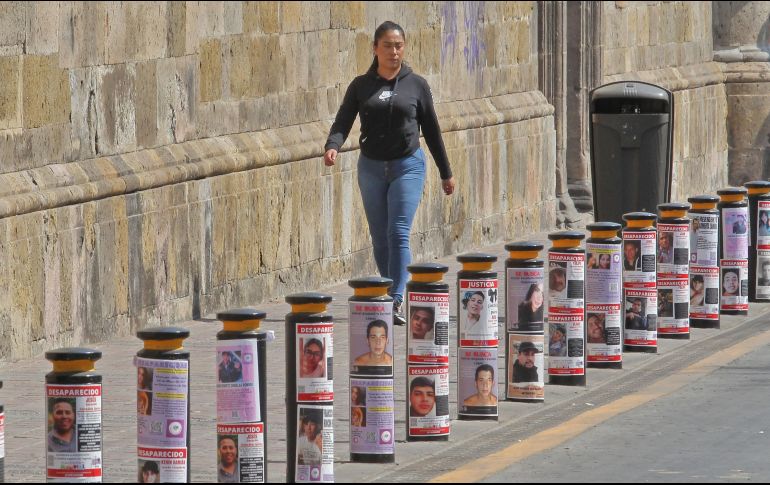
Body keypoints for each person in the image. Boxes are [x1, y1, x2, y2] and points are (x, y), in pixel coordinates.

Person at [323, 21, 456, 327]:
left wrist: (445, 172)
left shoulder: (416, 85)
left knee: (398, 232)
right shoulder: (361, 85)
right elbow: (343, 120)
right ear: (375, 48)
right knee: (380, 236)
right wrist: (333, 145)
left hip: (407, 165)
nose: (394, 52)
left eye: (399, 46)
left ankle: (395, 297)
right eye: (388, 46)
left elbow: (432, 130)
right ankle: (387, 292)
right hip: (370, 167)